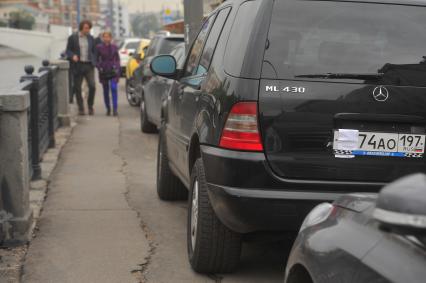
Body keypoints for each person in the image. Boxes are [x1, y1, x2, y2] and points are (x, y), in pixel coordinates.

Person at [65, 20, 97, 115]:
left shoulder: (91, 38)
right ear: (81, 28)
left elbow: (94, 51)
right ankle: (81, 108)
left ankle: (90, 106)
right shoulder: (73, 38)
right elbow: (68, 50)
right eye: (86, 28)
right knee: (77, 88)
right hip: (77, 65)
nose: (88, 30)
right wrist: (72, 56)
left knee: (92, 86)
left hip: (88, 65)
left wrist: (94, 60)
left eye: (89, 28)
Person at [96, 31, 120, 116]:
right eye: (105, 37)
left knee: (114, 88)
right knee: (105, 90)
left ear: (111, 38)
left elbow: (117, 59)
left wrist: (117, 68)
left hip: (113, 69)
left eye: (108, 37)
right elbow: (96, 59)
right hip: (104, 70)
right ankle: (108, 108)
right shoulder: (99, 47)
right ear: (103, 38)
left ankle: (115, 109)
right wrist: (99, 67)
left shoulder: (114, 47)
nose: (106, 38)